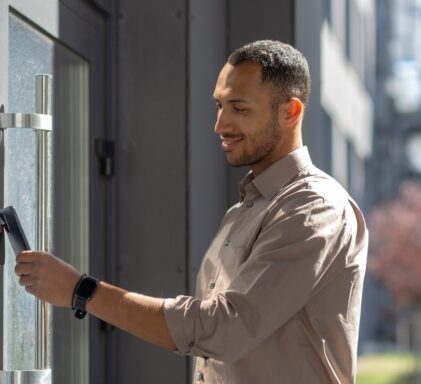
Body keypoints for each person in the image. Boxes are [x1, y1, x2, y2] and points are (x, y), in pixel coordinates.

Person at [15, 40, 368, 383]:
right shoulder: (243, 210)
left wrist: (82, 291)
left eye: (239, 108)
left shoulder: (313, 208)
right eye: (219, 106)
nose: (221, 125)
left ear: (290, 111)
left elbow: (224, 330)